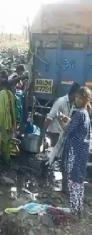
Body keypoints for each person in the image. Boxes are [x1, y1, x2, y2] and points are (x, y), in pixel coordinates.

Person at [62, 87, 91, 217]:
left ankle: (74, 210)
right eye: (77, 97)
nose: (77, 100)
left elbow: (68, 132)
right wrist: (69, 121)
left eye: (79, 98)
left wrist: (62, 122)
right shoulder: (86, 114)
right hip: (82, 152)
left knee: (73, 180)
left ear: (85, 99)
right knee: (79, 180)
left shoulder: (79, 114)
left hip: (74, 151)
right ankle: (78, 208)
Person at [44, 83, 80, 148]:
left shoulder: (72, 103)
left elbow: (66, 119)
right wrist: (43, 135)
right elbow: (49, 117)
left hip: (61, 134)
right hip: (54, 134)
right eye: (78, 95)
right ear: (74, 93)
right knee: (52, 155)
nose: (79, 98)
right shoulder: (61, 101)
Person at [0, 80, 16, 165]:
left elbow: (0, 110)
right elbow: (13, 109)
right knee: (7, 141)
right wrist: (13, 123)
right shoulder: (11, 93)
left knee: (3, 141)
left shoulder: (2, 93)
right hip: (10, 121)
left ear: (2, 86)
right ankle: (7, 159)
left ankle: (4, 161)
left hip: (3, 121)